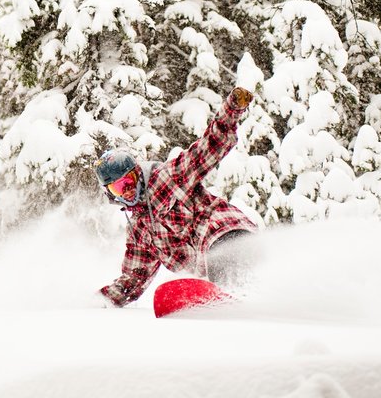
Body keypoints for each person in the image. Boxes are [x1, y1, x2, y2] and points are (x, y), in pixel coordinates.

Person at [95, 87, 259, 308]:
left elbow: (209, 147)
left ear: (138, 173)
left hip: (227, 234)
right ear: (110, 193)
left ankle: (242, 296)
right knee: (244, 284)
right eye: (118, 188)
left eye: (129, 181)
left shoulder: (168, 178)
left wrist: (232, 109)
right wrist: (100, 302)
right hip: (214, 266)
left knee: (226, 259)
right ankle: (253, 303)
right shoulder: (140, 231)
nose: (127, 191)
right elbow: (134, 277)